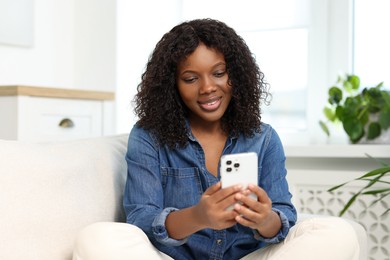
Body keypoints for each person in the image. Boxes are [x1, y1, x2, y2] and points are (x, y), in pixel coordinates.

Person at [72, 18, 360, 260]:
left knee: (339, 234)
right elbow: (141, 220)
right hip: (173, 258)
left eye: (219, 73)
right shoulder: (149, 137)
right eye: (190, 78)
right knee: (97, 238)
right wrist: (198, 217)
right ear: (172, 86)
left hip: (247, 256)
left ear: (236, 75)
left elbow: (283, 216)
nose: (208, 88)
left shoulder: (264, 138)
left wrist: (265, 220)